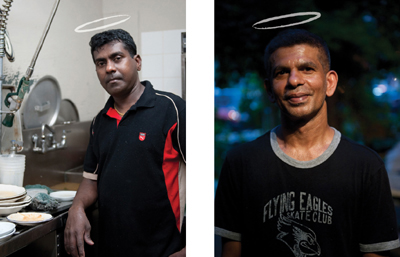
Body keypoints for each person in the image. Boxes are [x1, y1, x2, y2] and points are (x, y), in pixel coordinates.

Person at [214, 29, 400, 257]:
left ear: (329, 82)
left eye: (307, 69)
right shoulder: (240, 163)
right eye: (282, 72)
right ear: (269, 89)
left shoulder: (366, 167)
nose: (294, 80)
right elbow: (232, 250)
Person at [64, 29, 186, 257]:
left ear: (137, 62)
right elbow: (91, 180)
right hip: (111, 247)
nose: (109, 68)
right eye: (101, 63)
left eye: (117, 58)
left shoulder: (172, 109)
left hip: (164, 249)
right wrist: (77, 207)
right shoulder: (99, 122)